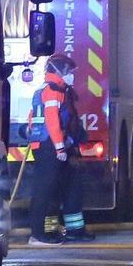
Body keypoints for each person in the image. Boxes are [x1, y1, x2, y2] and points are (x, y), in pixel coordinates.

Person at [28, 53, 92, 244]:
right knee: (44, 190)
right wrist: (59, 148)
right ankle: (38, 234)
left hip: (56, 144)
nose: (71, 75)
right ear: (58, 71)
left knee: (70, 186)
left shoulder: (60, 90)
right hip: (49, 146)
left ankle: (73, 231)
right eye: (68, 71)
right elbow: (52, 121)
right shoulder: (53, 90)